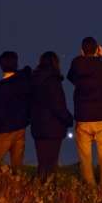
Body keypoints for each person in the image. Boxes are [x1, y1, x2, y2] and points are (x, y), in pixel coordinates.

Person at [68, 36, 102, 192]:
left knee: (85, 159)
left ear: (82, 50)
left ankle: (89, 188)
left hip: (83, 119)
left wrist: (81, 58)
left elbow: (71, 77)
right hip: (101, 119)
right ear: (97, 49)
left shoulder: (76, 65)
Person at [0, 51, 31, 173]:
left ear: (1, 65)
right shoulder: (23, 81)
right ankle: (17, 187)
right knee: (17, 164)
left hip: (5, 131)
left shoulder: (1, 87)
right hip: (21, 128)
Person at [30, 51, 74, 181]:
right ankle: (49, 191)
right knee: (51, 163)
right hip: (53, 128)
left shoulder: (33, 80)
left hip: (38, 127)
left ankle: (39, 188)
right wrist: (68, 119)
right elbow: (58, 105)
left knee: (42, 162)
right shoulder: (53, 81)